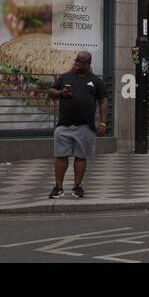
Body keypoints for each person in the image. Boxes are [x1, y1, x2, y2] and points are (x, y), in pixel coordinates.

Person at [47, 50, 106, 199]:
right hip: (64, 125)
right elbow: (51, 91)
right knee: (61, 156)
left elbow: (103, 102)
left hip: (85, 126)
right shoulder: (65, 77)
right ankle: (58, 188)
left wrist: (103, 123)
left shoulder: (96, 81)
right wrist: (61, 93)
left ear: (88, 64)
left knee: (81, 157)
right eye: (77, 61)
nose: (77, 63)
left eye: (81, 61)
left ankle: (77, 186)